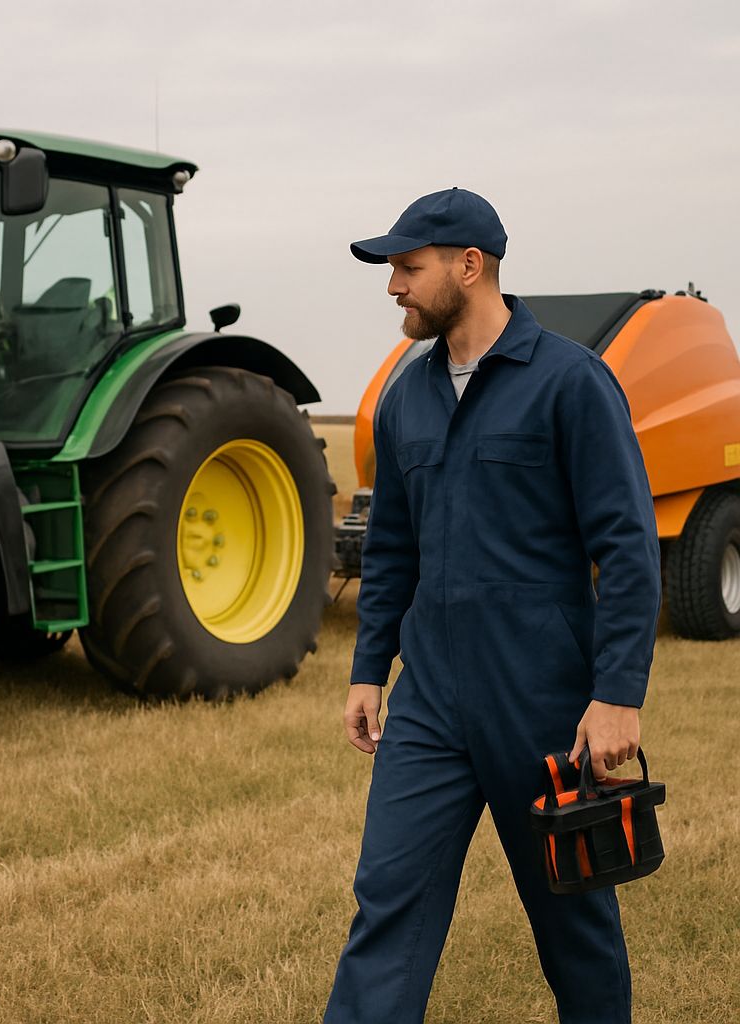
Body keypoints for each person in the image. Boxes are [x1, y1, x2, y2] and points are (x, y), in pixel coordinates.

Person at [322, 187, 662, 1024]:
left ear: (470, 267)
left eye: (409, 266)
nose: (394, 286)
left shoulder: (572, 385)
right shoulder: (409, 397)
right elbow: (394, 549)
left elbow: (627, 547)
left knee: (573, 922)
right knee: (387, 905)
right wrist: (371, 672)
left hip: (541, 704)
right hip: (432, 704)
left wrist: (617, 696)